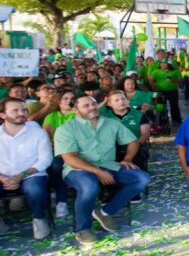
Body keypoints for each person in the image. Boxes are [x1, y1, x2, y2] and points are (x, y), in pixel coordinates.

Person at [54, 95, 151, 247]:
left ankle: (105, 212)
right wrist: (97, 172)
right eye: (86, 105)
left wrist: (128, 158)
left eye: (93, 103)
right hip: (78, 169)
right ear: (75, 109)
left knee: (142, 179)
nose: (92, 107)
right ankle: (84, 229)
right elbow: (70, 158)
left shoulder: (111, 123)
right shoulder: (66, 129)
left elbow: (132, 141)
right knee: (90, 187)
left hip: (108, 165)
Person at [0, 98, 54, 239]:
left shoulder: (37, 132)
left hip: (31, 174)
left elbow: (45, 159)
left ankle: (39, 219)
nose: (21, 113)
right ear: (3, 115)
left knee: (36, 189)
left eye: (24, 110)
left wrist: (21, 175)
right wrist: (3, 178)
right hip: (2, 176)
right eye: (15, 110)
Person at [43, 88, 77, 219]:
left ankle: (61, 199)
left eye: (72, 99)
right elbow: (48, 135)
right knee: (58, 166)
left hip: (80, 150)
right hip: (59, 150)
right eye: (65, 99)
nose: (69, 101)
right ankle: (61, 201)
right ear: (59, 101)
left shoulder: (80, 114)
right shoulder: (52, 116)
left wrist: (79, 112)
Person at [148, 58, 182, 125]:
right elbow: (151, 79)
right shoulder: (156, 71)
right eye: (161, 63)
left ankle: (176, 120)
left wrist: (173, 80)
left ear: (169, 64)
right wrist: (154, 88)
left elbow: (180, 80)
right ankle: (161, 121)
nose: (163, 65)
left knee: (174, 106)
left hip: (173, 91)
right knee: (160, 106)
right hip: (161, 91)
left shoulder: (175, 71)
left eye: (165, 63)